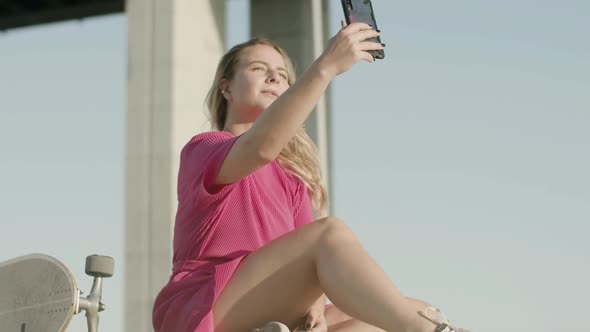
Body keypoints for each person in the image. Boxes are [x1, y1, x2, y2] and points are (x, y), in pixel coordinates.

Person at [152, 22, 468, 332]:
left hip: (274, 308)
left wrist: (314, 309)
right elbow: (261, 148)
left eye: (283, 74)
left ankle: (424, 325)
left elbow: (310, 265)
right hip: (206, 305)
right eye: (259, 69)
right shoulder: (205, 148)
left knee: (413, 309)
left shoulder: (292, 178)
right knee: (330, 232)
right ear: (226, 88)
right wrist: (325, 68)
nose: (274, 76)